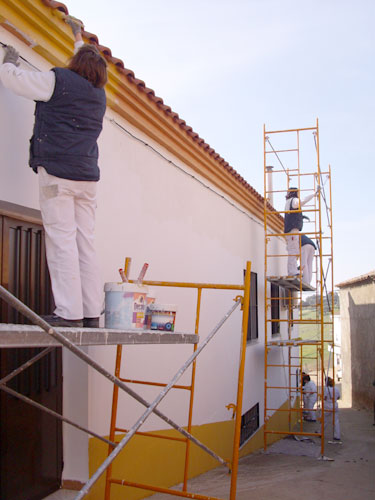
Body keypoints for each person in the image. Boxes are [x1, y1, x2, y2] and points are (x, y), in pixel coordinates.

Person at [0, 17, 107, 328]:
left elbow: (12, 80)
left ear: (75, 63)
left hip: (58, 175)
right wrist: (77, 37)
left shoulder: (56, 81)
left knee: (61, 241)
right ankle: (89, 314)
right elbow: (87, 61)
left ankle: (68, 313)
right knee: (84, 242)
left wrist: (8, 59)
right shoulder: (98, 95)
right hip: (86, 179)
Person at [284, 186, 319, 278]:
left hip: (291, 230)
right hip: (292, 231)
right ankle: (292, 271)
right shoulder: (294, 200)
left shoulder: (288, 202)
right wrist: (314, 194)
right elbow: (302, 201)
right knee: (293, 251)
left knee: (293, 251)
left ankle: (293, 271)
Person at [323, 376, 341, 441]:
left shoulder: (326, 389)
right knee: (336, 421)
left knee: (325, 419)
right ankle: (337, 436)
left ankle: (320, 432)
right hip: (335, 404)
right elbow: (338, 397)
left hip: (328, 404)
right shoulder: (336, 388)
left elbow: (324, 398)